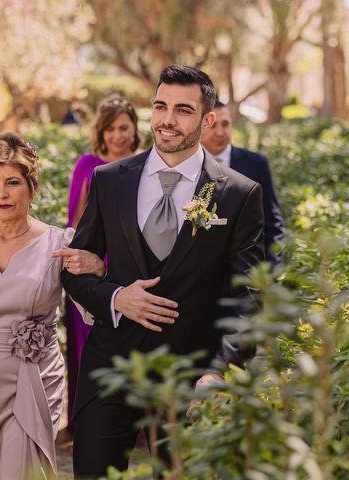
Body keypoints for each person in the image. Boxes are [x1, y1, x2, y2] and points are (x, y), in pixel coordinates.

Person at [62, 65, 265, 477]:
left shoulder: (238, 194)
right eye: (160, 106)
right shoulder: (109, 180)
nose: (167, 119)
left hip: (190, 376)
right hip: (111, 370)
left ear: (207, 120)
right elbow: (74, 269)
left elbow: (247, 300)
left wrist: (218, 371)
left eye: (183, 110)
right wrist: (117, 297)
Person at [0, 132, 106, 479]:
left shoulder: (58, 243)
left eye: (12, 182)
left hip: (36, 382)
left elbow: (93, 309)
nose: (2, 193)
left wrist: (99, 268)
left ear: (31, 187)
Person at [63, 94, 140, 431]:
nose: (118, 136)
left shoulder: (146, 164)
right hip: (90, 267)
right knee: (84, 345)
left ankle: (131, 421)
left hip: (129, 267)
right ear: (101, 131)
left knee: (128, 344)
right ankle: (85, 421)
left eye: (124, 127)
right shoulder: (87, 165)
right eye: (110, 129)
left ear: (135, 128)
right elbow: (76, 221)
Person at [201, 100, 285, 266]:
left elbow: (271, 219)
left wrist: (272, 269)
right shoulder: (188, 165)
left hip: (248, 270)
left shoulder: (256, 163)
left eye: (225, 124)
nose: (220, 132)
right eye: (213, 125)